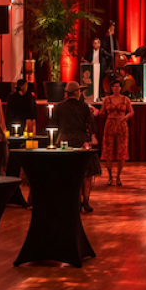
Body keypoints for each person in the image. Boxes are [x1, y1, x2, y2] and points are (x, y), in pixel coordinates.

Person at [55, 80, 101, 212]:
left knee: (66, 172)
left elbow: (53, 124)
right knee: (87, 172)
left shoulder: (59, 107)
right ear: (76, 92)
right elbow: (91, 124)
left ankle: (70, 200)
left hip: (63, 140)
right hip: (81, 140)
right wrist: (92, 137)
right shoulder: (83, 107)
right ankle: (86, 201)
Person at [100, 77, 133, 186]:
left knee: (121, 150)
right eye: (114, 86)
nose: (116, 88)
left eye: (118, 86)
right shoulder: (106, 99)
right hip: (109, 124)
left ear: (121, 88)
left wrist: (126, 118)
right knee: (108, 151)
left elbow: (131, 112)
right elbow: (102, 112)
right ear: (111, 88)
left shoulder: (125, 99)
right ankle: (110, 177)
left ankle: (118, 177)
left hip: (121, 125)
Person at [83, 37, 110, 101]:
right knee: (91, 82)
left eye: (96, 43)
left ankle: (99, 96)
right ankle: (91, 96)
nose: (95, 44)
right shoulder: (90, 52)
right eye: (94, 43)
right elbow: (87, 59)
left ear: (99, 44)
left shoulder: (102, 51)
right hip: (92, 68)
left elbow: (108, 57)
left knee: (99, 83)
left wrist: (105, 66)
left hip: (100, 69)